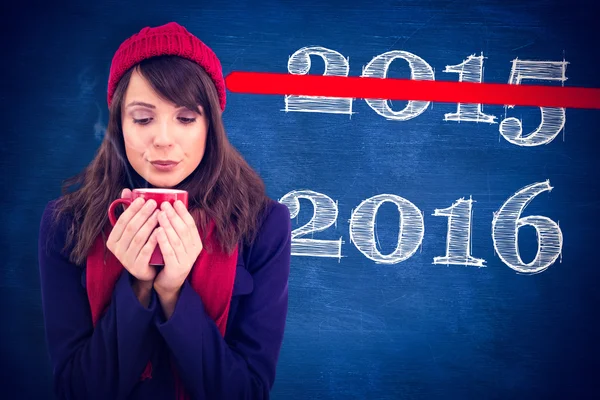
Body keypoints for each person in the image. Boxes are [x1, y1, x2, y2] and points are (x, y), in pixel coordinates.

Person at [38, 21, 292, 400]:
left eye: (186, 118)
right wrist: (138, 288)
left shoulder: (263, 225)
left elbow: (247, 393)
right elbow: (76, 390)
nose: (163, 139)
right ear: (119, 124)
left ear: (211, 127)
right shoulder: (66, 223)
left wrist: (173, 295)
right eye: (142, 118)